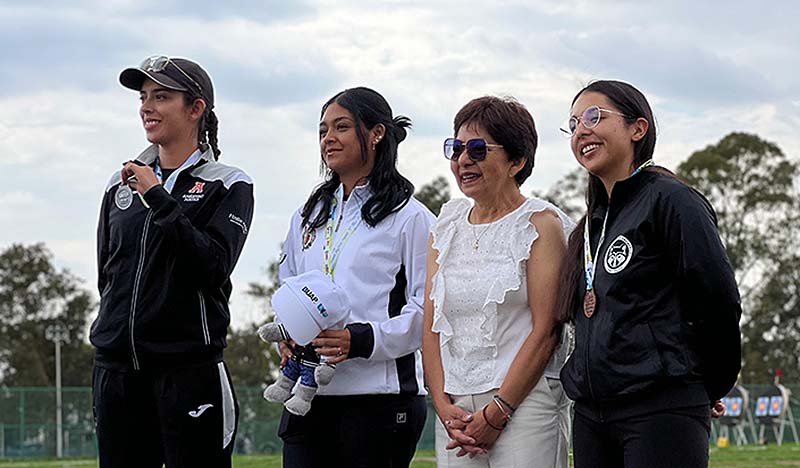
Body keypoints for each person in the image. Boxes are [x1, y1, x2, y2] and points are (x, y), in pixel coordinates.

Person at [556, 80, 742, 468]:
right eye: (573, 124)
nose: (581, 131)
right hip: (592, 414)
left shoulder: (671, 200)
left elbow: (718, 300)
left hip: (660, 408)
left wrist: (707, 385)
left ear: (637, 128)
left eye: (594, 116)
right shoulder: (592, 224)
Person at [91, 56, 254, 468]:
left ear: (195, 108)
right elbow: (107, 274)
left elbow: (213, 265)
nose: (147, 106)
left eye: (161, 96)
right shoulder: (119, 183)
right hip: (116, 374)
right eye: (144, 97)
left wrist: (159, 199)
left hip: (188, 373)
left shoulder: (229, 183)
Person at [276, 87, 434, 467]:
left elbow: (426, 313)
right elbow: (289, 283)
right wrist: (288, 334)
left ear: (377, 133)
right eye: (322, 130)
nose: (328, 138)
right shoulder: (306, 215)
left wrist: (358, 340)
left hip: (379, 400)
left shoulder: (410, 216)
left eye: (341, 127)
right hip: (308, 396)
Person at [422, 96, 573, 468]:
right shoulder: (446, 226)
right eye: (456, 149)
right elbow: (431, 325)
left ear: (517, 161)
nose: (462, 161)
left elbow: (547, 330)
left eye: (477, 149)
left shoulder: (541, 224)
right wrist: (442, 403)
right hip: (456, 410)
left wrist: (498, 411)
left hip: (526, 403)